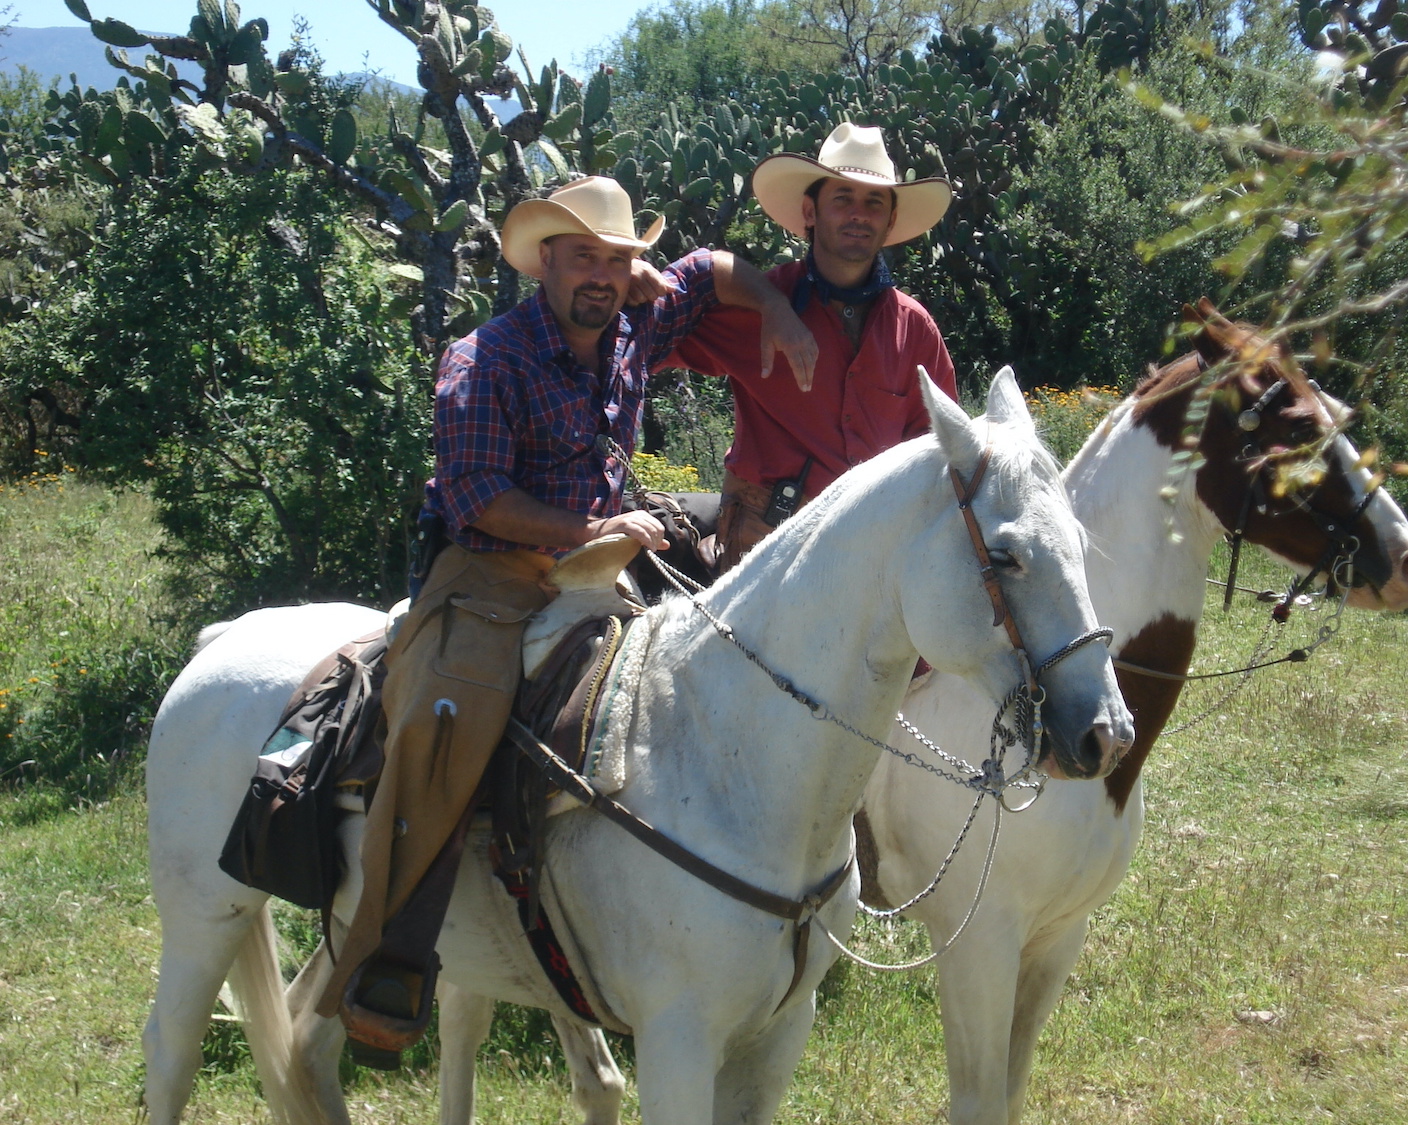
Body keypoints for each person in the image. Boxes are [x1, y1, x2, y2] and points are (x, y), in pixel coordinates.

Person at [319, 175, 816, 1060]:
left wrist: (775, 308)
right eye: (583, 255)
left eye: (618, 258)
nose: (601, 274)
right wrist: (594, 527)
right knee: (446, 721)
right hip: (491, 573)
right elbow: (478, 494)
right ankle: (387, 957)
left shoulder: (632, 321)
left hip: (607, 560)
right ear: (545, 260)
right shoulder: (484, 358)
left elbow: (710, 270)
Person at [660, 122, 960, 569]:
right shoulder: (760, 307)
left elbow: (943, 447)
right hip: (764, 555)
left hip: (874, 556)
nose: (859, 214)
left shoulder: (913, 329)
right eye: (842, 198)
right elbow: (641, 346)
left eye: (874, 202)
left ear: (890, 219)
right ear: (810, 210)